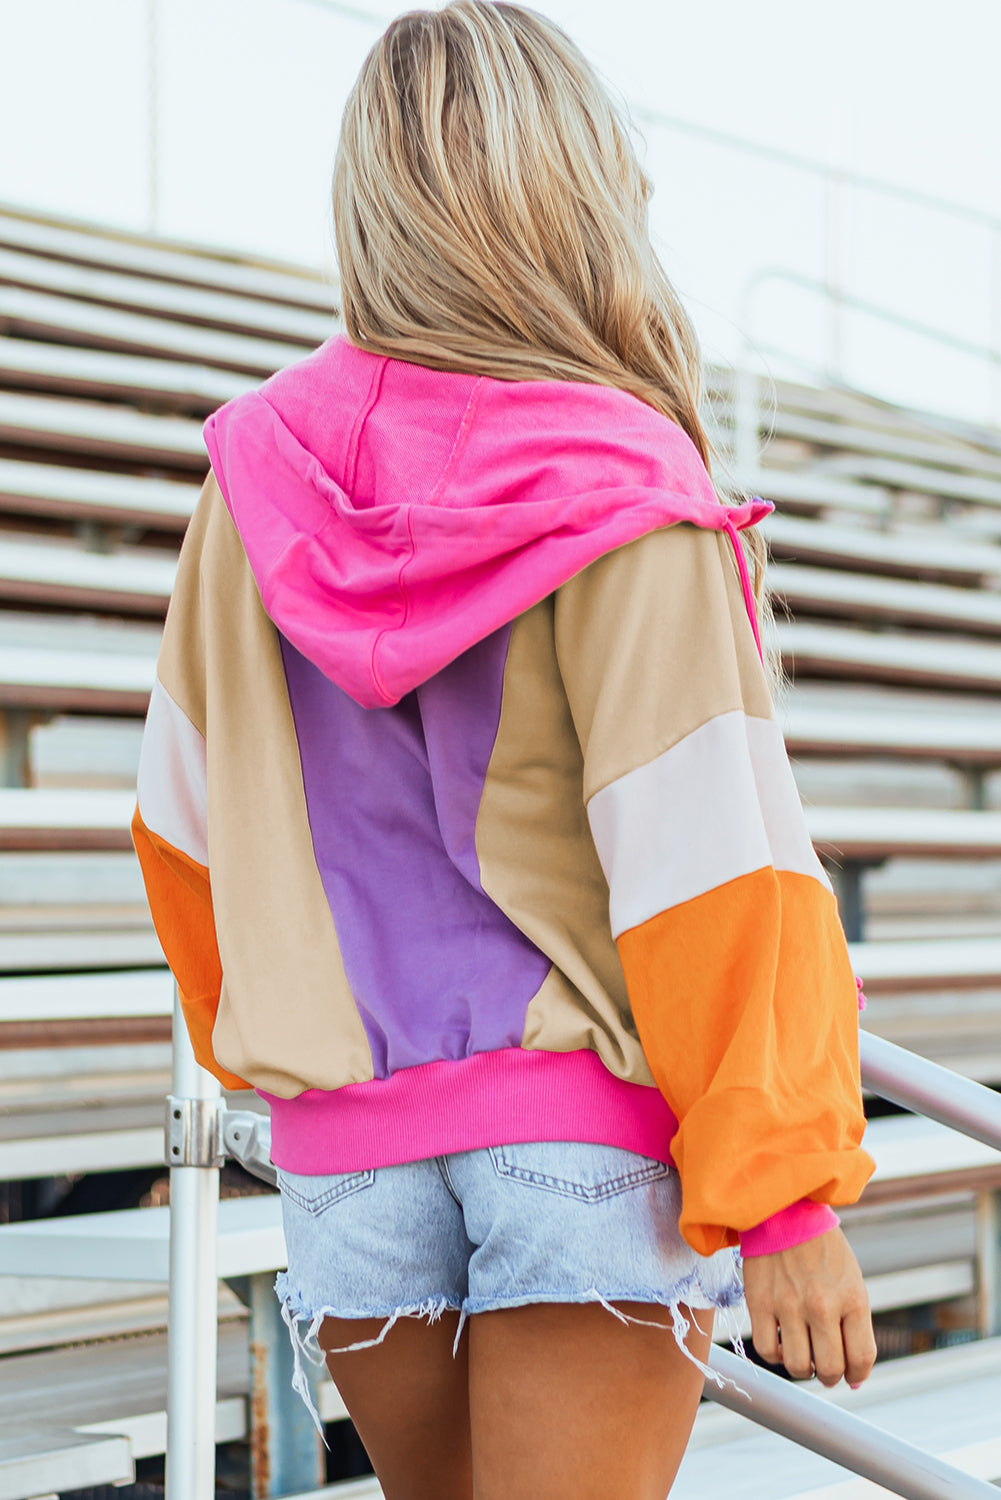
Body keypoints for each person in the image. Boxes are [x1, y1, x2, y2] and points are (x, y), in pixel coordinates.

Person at [133, 4, 878, 1496]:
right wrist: (784, 1198)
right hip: (577, 1138)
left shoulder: (249, 478)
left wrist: (287, 1056)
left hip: (350, 1159)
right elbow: (709, 863)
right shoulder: (623, 477)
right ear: (576, 185)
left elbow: (180, 828)